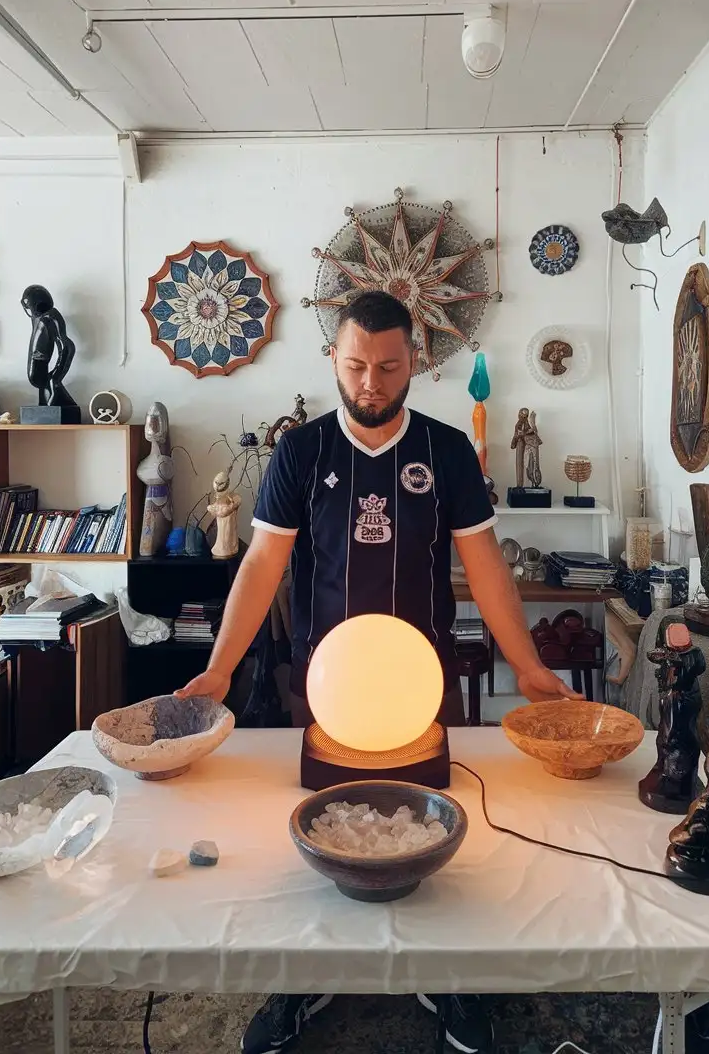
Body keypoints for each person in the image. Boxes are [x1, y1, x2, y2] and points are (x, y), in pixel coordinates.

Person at [177, 290, 579, 1054]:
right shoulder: (301, 453)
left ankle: (451, 979)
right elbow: (262, 564)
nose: (370, 383)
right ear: (333, 358)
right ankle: (300, 982)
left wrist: (526, 664)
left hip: (421, 686)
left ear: (414, 363)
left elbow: (484, 565)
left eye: (389, 367)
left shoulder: (446, 451)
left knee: (432, 834)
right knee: (320, 837)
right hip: (326, 688)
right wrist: (219, 668)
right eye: (357, 366)